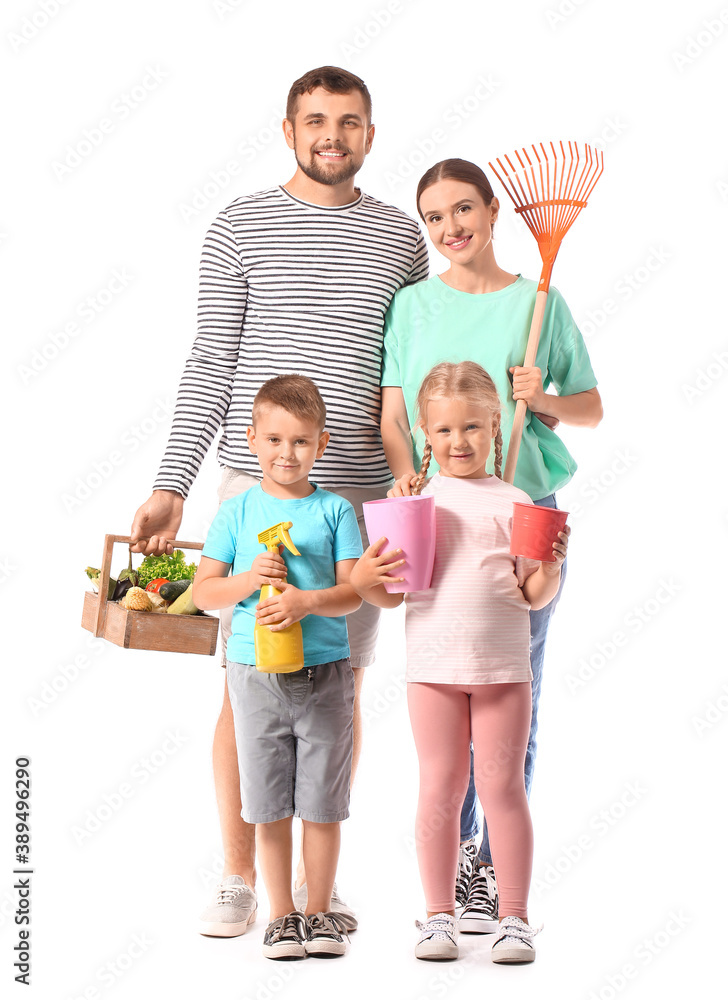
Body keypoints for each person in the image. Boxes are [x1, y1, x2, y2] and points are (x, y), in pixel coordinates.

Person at [129, 66, 428, 935]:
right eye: (315, 121)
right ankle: (238, 877)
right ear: (288, 130)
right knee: (248, 683)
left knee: (341, 685)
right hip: (256, 492)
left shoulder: (401, 239)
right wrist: (170, 483)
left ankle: (318, 890)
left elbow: (399, 374)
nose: (331, 135)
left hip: (362, 494)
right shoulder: (238, 227)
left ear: (370, 134)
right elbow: (211, 361)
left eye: (349, 122)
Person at [379, 159, 601, 932]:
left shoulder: (539, 302)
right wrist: (409, 480)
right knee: (447, 667)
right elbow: (395, 418)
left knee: (514, 683)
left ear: (495, 209)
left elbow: (593, 409)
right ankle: (458, 859)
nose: (450, 228)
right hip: (437, 508)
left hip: (522, 505)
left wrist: (542, 398)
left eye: (463, 209)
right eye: (434, 217)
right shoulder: (411, 306)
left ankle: (485, 866)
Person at [351, 361, 569, 963]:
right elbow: (390, 595)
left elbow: (532, 596)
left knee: (502, 789)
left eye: (472, 428)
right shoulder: (413, 501)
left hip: (502, 669)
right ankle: (438, 916)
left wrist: (549, 565)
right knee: (440, 790)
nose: (459, 442)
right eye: (444, 431)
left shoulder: (516, 501)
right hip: (433, 671)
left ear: (495, 425)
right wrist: (370, 567)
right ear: (424, 432)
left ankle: (515, 918)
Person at [192, 374, 363, 960]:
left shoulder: (337, 510)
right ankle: (280, 917)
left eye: (299, 442)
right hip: (254, 676)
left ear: (322, 443)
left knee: (321, 803)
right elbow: (204, 592)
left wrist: (305, 601)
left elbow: (353, 594)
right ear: (251, 439)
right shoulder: (238, 512)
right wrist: (250, 581)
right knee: (268, 804)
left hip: (325, 675)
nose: (285, 454)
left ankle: (318, 913)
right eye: (273, 440)